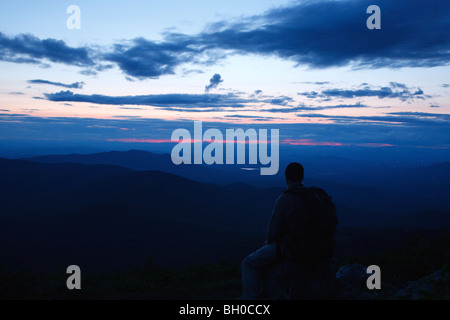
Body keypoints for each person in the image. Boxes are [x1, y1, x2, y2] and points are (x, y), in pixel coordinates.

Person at [241, 162, 337, 299]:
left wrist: (268, 245)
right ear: (302, 177)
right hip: (322, 248)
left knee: (248, 263)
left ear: (286, 178)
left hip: (296, 249)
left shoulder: (286, 198)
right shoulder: (315, 197)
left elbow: (273, 233)